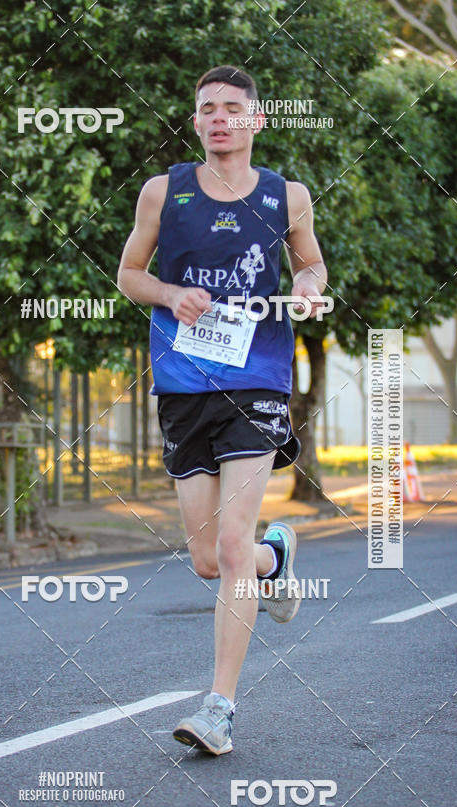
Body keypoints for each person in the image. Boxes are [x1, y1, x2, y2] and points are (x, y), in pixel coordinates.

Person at [117, 65, 327, 755]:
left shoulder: (285, 196)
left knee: (229, 545)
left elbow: (311, 265)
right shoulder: (164, 191)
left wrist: (306, 289)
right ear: (197, 120)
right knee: (210, 560)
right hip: (182, 384)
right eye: (207, 108)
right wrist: (168, 294)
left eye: (233, 108)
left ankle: (219, 709)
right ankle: (276, 556)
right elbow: (128, 275)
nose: (219, 118)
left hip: (258, 380)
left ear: (256, 120)